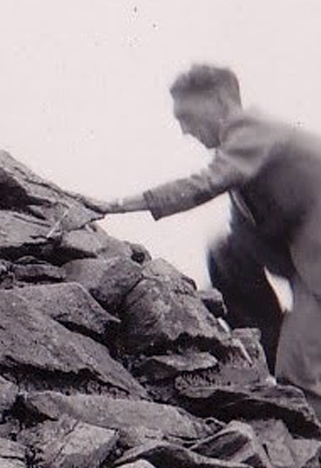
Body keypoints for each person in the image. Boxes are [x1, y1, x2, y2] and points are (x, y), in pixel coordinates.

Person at [81, 64, 321, 406]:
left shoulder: (252, 130)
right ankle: (269, 357)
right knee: (226, 252)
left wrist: (119, 204)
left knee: (300, 371)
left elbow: (208, 182)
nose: (183, 130)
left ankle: (305, 439)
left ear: (220, 101)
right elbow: (244, 235)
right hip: (302, 257)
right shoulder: (248, 161)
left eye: (186, 116)